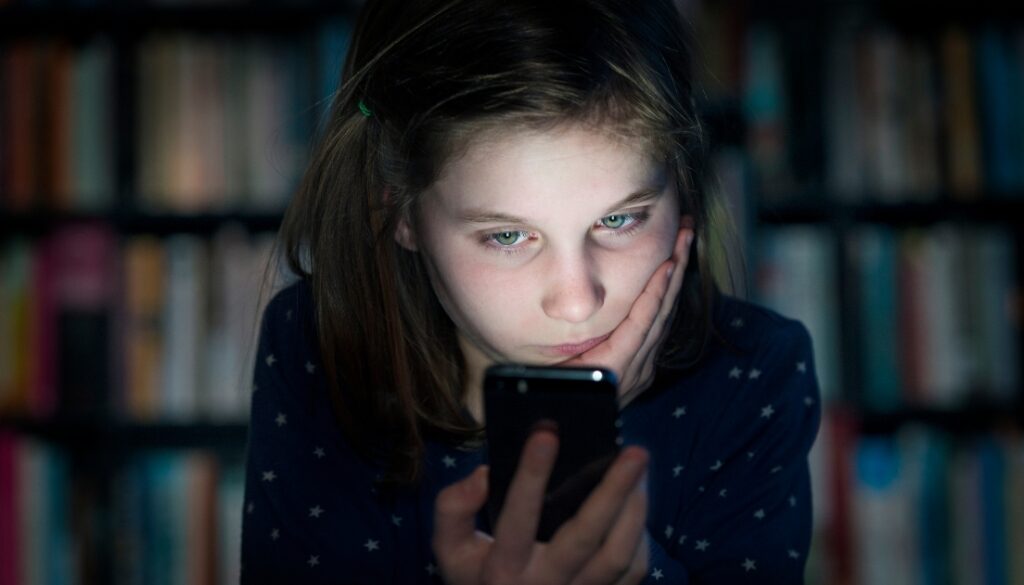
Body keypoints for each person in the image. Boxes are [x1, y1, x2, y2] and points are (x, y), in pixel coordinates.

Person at [240, 0, 822, 583]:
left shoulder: (753, 370)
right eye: (508, 235)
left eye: (620, 221)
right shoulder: (317, 347)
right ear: (402, 212)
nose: (576, 302)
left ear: (682, 187)